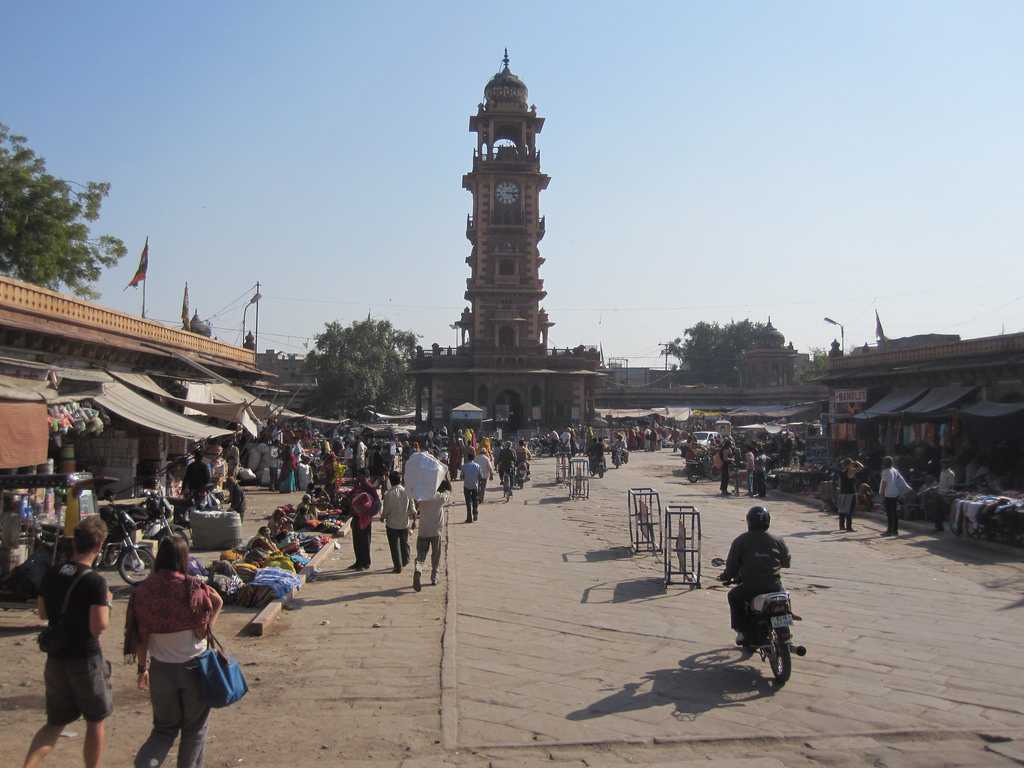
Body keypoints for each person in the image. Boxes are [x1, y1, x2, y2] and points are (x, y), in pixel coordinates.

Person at [126, 535, 223, 768]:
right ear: (183, 558)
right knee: (195, 730)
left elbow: (140, 636)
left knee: (163, 730)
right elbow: (211, 615)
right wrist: (212, 617)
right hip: (195, 668)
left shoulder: (142, 592)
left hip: (161, 671)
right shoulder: (193, 587)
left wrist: (143, 669)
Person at [23, 516, 112, 768]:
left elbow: (42, 613)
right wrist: (107, 602)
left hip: (56, 657)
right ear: (99, 545)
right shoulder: (95, 581)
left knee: (54, 723)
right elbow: (99, 626)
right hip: (85, 658)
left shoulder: (54, 572)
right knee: (95, 720)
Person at [719, 506, 791, 644]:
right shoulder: (778, 540)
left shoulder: (741, 541)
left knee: (733, 596)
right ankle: (785, 631)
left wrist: (726, 576)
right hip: (774, 586)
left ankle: (741, 631)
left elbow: (732, 567)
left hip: (750, 586)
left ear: (749, 521)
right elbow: (786, 562)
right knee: (784, 600)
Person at [413, 479, 450, 592]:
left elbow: (417, 506)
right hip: (436, 531)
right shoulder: (439, 497)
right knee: (436, 555)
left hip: (423, 530)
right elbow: (448, 491)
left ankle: (418, 571)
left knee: (421, 555)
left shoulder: (422, 497)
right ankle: (434, 577)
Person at [382, 471, 415, 573]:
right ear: (400, 480)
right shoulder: (407, 492)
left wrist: (382, 517)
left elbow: (386, 510)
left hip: (392, 524)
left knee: (394, 546)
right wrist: (414, 521)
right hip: (404, 523)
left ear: (391, 482)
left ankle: (398, 566)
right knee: (404, 543)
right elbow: (412, 509)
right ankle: (404, 560)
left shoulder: (388, 494)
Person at [348, 474, 379, 570]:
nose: (359, 480)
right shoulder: (357, 487)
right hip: (356, 517)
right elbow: (350, 497)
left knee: (364, 541)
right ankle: (358, 562)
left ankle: (365, 563)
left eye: (361, 477)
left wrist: (368, 513)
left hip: (365, 519)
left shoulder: (369, 488)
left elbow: (377, 502)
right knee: (356, 541)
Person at [879, 456, 905, 536]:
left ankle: (889, 530)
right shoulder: (895, 470)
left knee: (889, 513)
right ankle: (895, 530)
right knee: (894, 513)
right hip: (895, 493)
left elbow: (884, 483)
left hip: (888, 494)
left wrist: (881, 493)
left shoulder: (885, 471)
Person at [837, 458, 863, 532]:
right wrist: (857, 462)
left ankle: (841, 526)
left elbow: (839, 483)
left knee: (842, 510)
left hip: (842, 493)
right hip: (850, 493)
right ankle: (849, 527)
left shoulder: (841, 472)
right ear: (849, 464)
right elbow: (861, 468)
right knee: (849, 511)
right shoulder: (851, 471)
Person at [461, 448, 482, 523]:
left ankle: (469, 517)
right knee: (475, 500)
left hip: (466, 486)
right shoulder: (477, 466)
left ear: (467, 458)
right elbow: (480, 477)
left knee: (468, 502)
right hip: (475, 486)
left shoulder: (464, 466)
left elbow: (461, 477)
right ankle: (475, 512)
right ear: (473, 458)